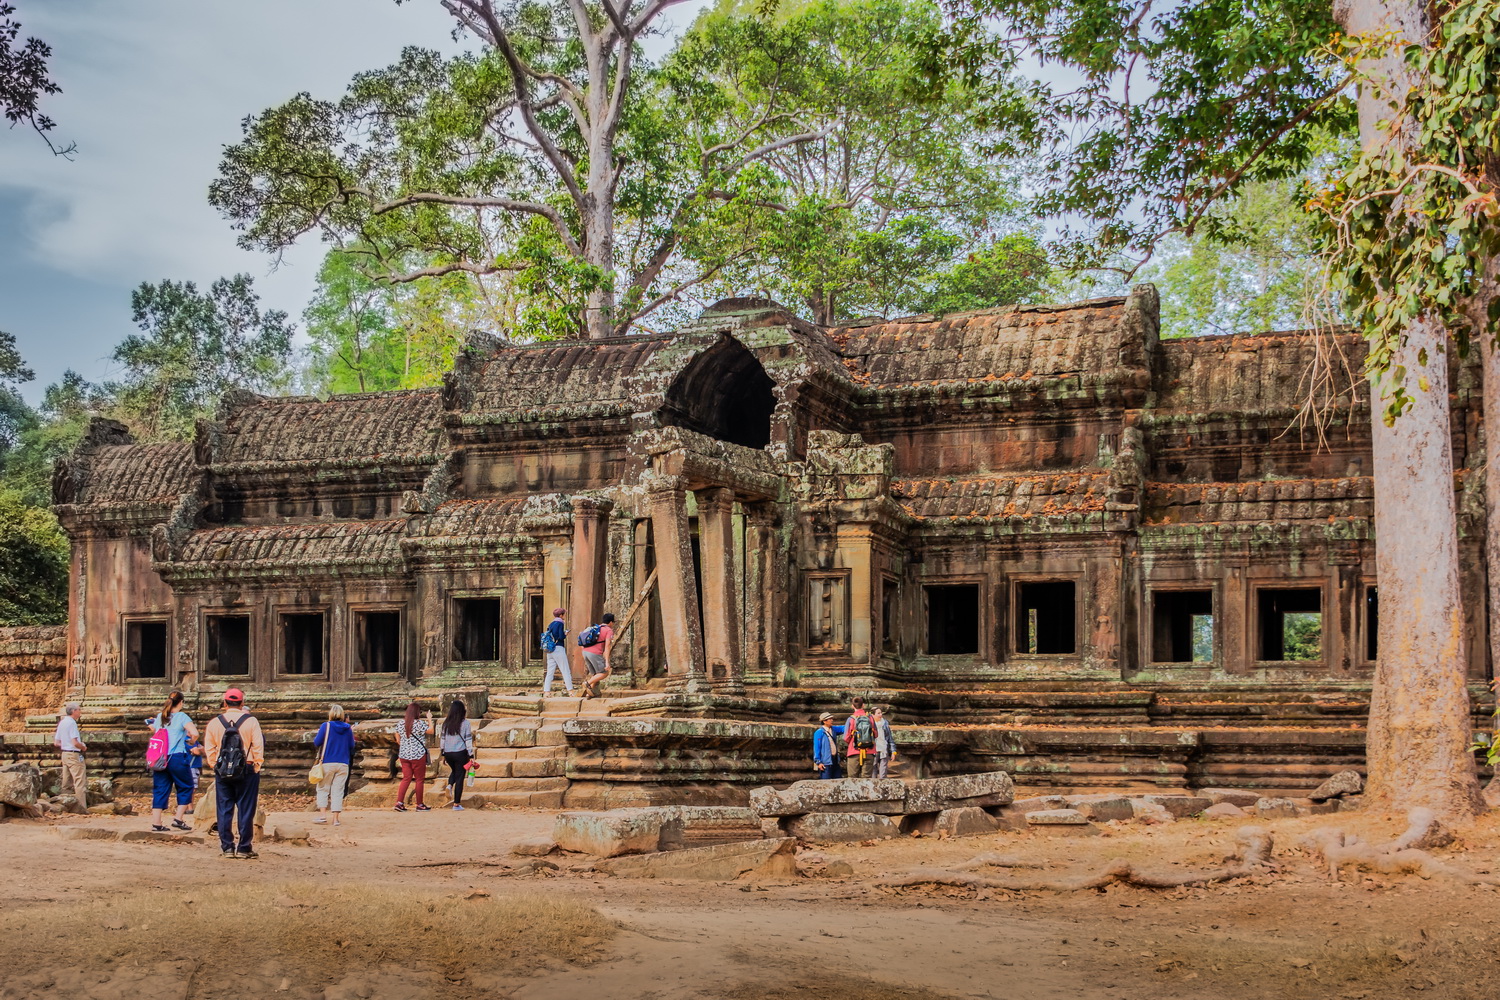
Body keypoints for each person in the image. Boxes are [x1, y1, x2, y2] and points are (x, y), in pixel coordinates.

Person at [204, 688, 264, 859]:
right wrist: (257, 764)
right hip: (247, 767)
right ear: (242, 703)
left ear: (224, 703)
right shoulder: (251, 721)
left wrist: (215, 765)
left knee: (224, 808)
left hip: (222, 770)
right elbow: (258, 745)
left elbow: (209, 748)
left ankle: (227, 847)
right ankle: (244, 847)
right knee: (246, 808)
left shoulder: (215, 723)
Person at [148, 690, 198, 832]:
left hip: (160, 758)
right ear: (181, 702)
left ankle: (156, 823)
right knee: (186, 786)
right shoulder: (182, 716)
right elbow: (195, 733)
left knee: (160, 789)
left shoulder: (160, 716)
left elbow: (157, 732)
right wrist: (190, 741)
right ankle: (178, 818)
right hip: (177, 757)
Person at [313, 704, 356, 827]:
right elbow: (352, 745)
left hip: (328, 761)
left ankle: (322, 815)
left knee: (323, 788)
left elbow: (317, 742)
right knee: (338, 790)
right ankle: (335, 819)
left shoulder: (325, 726)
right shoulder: (348, 728)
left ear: (330, 714)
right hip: (343, 763)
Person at [394, 702, 433, 812]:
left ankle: (399, 802)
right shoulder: (419, 724)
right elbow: (431, 731)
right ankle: (419, 804)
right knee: (419, 779)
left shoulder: (401, 723)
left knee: (406, 778)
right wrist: (429, 719)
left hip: (404, 754)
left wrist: (403, 744)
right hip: (418, 754)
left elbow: (397, 737)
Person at [438, 700, 475, 810]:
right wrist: (471, 755)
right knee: (460, 776)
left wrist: (443, 754)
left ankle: (449, 785)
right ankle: (456, 804)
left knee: (455, 771)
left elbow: (442, 740)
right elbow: (468, 740)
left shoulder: (446, 723)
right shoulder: (465, 723)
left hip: (448, 753)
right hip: (460, 752)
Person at [52, 702, 88, 810]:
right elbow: (75, 742)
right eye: (79, 710)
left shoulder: (62, 722)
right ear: (73, 711)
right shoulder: (72, 723)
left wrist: (65, 744)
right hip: (73, 754)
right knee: (79, 782)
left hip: (65, 754)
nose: (80, 712)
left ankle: (65, 806)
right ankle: (82, 808)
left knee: (66, 783)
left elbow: (56, 742)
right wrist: (83, 747)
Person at [580, 612, 616, 699]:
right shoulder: (608, 630)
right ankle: (587, 683)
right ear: (611, 622)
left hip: (585, 652)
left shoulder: (595, 628)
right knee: (604, 673)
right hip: (595, 653)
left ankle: (590, 693)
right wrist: (607, 662)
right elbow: (607, 646)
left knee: (595, 674)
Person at [541, 607, 573, 697]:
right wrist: (565, 633)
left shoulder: (551, 624)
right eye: (564, 614)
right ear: (561, 615)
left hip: (550, 650)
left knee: (550, 671)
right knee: (565, 669)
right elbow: (560, 636)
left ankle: (546, 691)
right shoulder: (560, 623)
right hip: (558, 648)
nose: (564, 616)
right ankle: (570, 691)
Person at [843, 696, 876, 779]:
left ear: (852, 706)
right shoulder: (870, 717)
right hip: (869, 751)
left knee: (852, 779)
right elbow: (876, 734)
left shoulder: (851, 719)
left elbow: (846, 737)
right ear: (863, 705)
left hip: (854, 751)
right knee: (867, 779)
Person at [813, 712, 846, 779]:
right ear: (824, 721)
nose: (832, 720)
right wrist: (818, 762)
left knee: (837, 779)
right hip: (825, 762)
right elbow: (817, 748)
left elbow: (843, 728)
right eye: (829, 719)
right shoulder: (819, 732)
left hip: (834, 760)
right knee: (826, 780)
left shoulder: (833, 730)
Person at [872, 706, 897, 779]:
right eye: (878, 713)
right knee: (873, 771)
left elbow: (890, 738)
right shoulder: (869, 724)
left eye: (881, 713)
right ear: (873, 715)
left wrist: (893, 751)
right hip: (873, 749)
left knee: (883, 773)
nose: (880, 715)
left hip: (883, 749)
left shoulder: (885, 723)